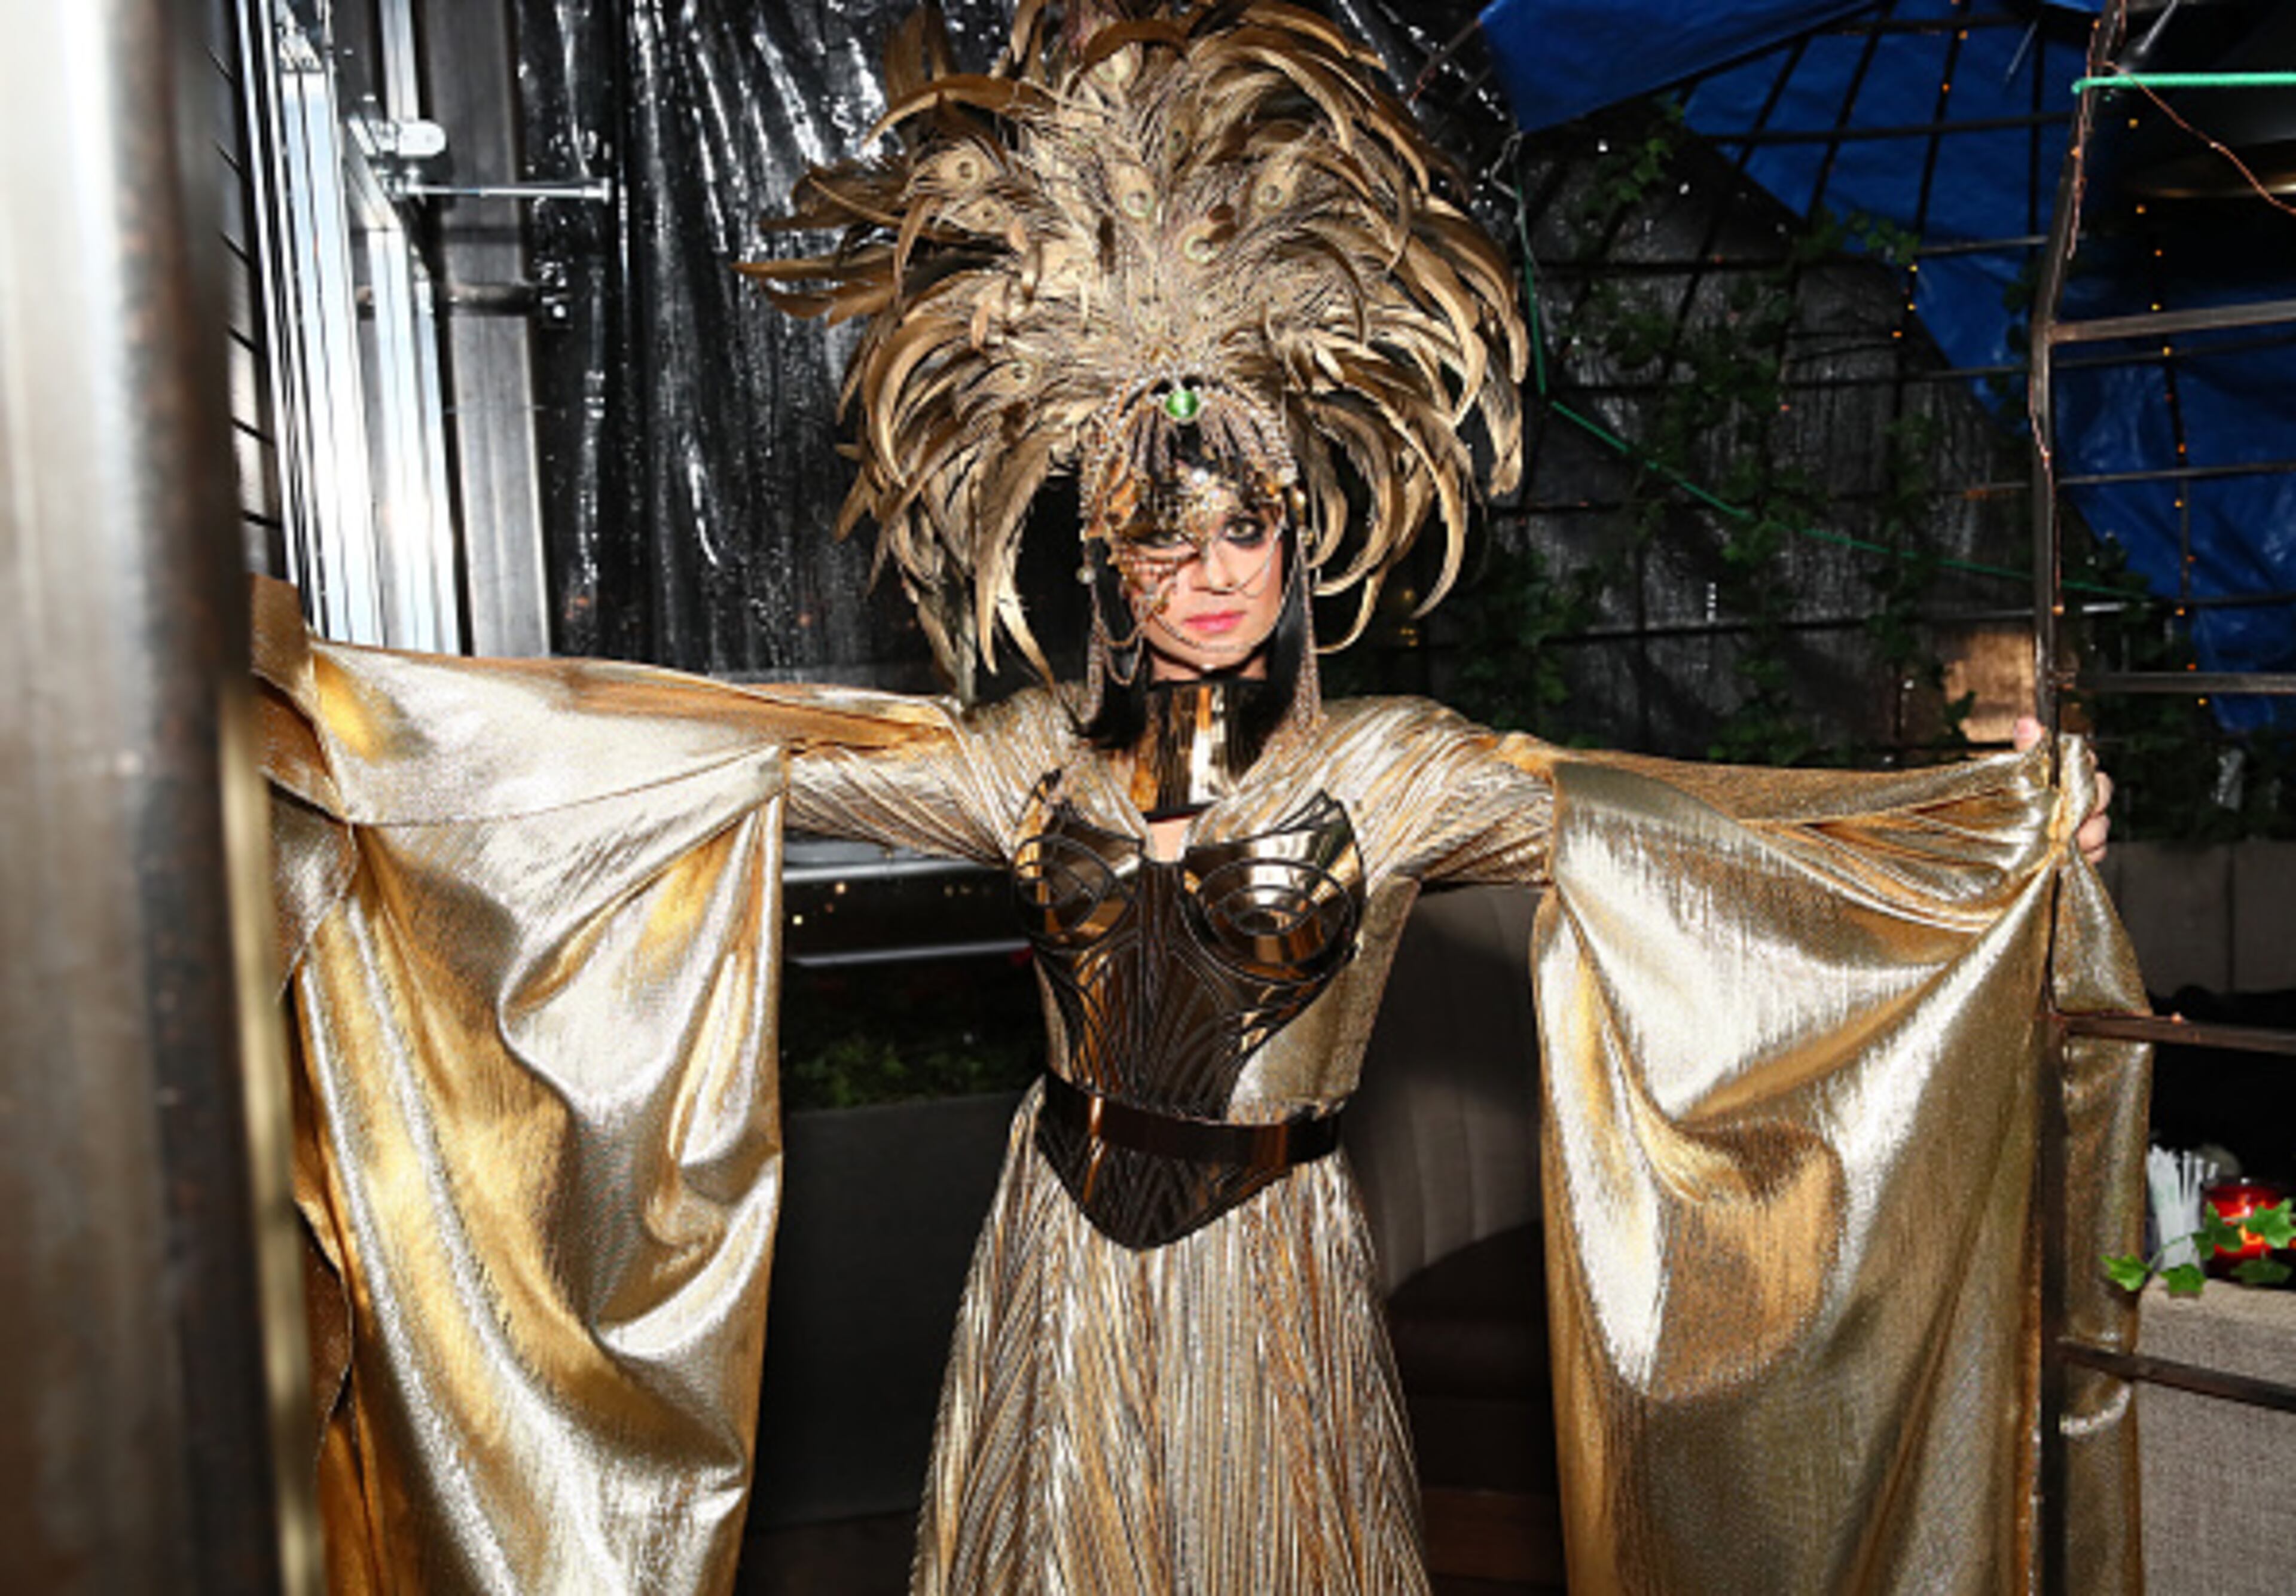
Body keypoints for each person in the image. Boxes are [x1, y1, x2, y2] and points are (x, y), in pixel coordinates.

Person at [257, 4, 2135, 1593]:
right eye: (1167, 538)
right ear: (1110, 563)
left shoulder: (1391, 774)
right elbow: (729, 743)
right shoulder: (1021, 767)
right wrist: (369, 715)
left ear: (1299, 537)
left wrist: (1985, 830)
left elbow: (1689, 833)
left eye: (1243, 526)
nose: (1211, 568)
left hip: (1267, 1278)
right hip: (1052, 1264)